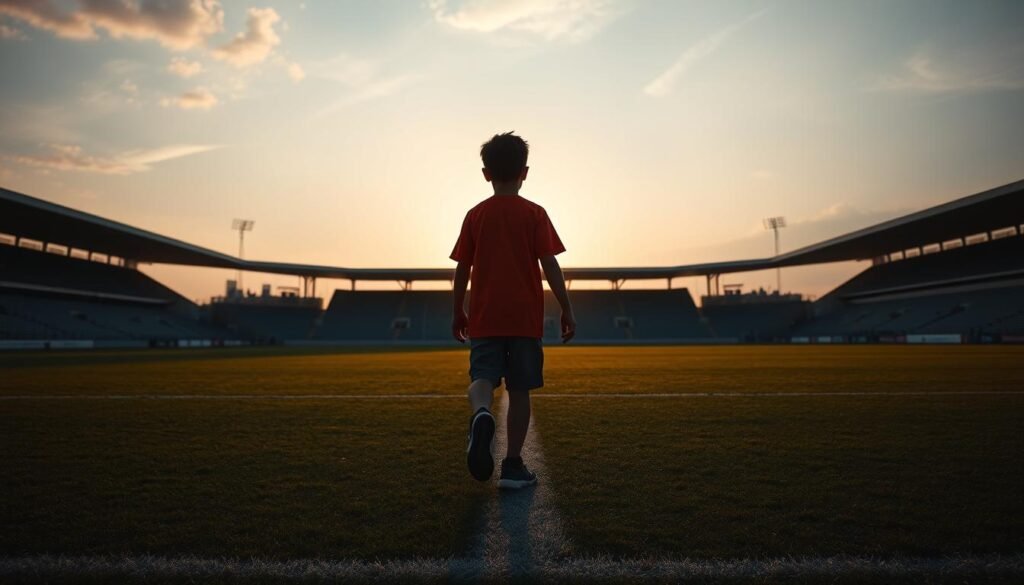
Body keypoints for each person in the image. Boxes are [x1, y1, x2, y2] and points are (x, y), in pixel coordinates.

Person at [450, 131, 576, 489]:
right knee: (520, 390)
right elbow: (550, 265)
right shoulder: (535, 213)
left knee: (482, 378)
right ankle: (513, 466)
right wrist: (566, 308)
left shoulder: (475, 215)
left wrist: (458, 310)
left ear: (486, 174)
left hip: (485, 317)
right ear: (525, 172)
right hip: (524, 319)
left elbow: (462, 268)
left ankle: (481, 412)